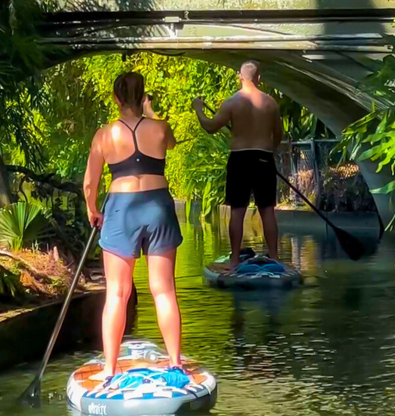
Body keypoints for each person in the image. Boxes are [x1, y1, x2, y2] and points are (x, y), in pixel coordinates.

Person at [81, 69, 189, 381]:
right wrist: (151, 111)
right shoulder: (160, 128)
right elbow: (170, 144)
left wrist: (92, 209)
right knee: (164, 290)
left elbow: (91, 182)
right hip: (158, 207)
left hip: (121, 209)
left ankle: (111, 369)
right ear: (143, 97)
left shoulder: (105, 135)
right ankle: (175, 362)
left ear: (115, 98)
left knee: (117, 293)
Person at [194, 59, 285, 269]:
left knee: (237, 210)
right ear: (259, 78)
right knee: (267, 210)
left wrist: (199, 109)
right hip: (264, 157)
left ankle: (234, 259)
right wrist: (270, 150)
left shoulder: (232, 102)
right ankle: (274, 257)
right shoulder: (270, 103)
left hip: (240, 159)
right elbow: (278, 134)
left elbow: (210, 126)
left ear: (239, 77)